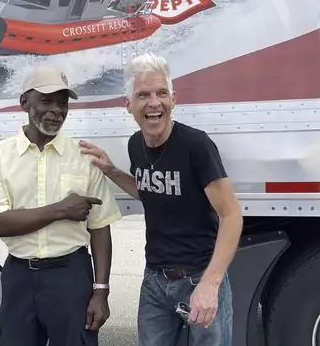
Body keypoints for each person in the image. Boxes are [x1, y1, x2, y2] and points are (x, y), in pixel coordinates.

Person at [79, 52, 243, 346]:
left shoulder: (196, 145)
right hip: (154, 280)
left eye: (161, 93)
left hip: (198, 276)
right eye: (143, 95)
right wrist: (111, 171)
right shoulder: (136, 145)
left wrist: (210, 283)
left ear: (173, 99)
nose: (154, 102)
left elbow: (231, 215)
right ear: (128, 105)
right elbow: (151, 191)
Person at [0, 64, 123, 346]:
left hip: (71, 276)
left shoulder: (84, 157)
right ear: (24, 102)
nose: (57, 109)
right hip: (19, 276)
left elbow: (100, 227)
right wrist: (61, 210)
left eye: (63, 102)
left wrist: (101, 291)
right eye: (46, 100)